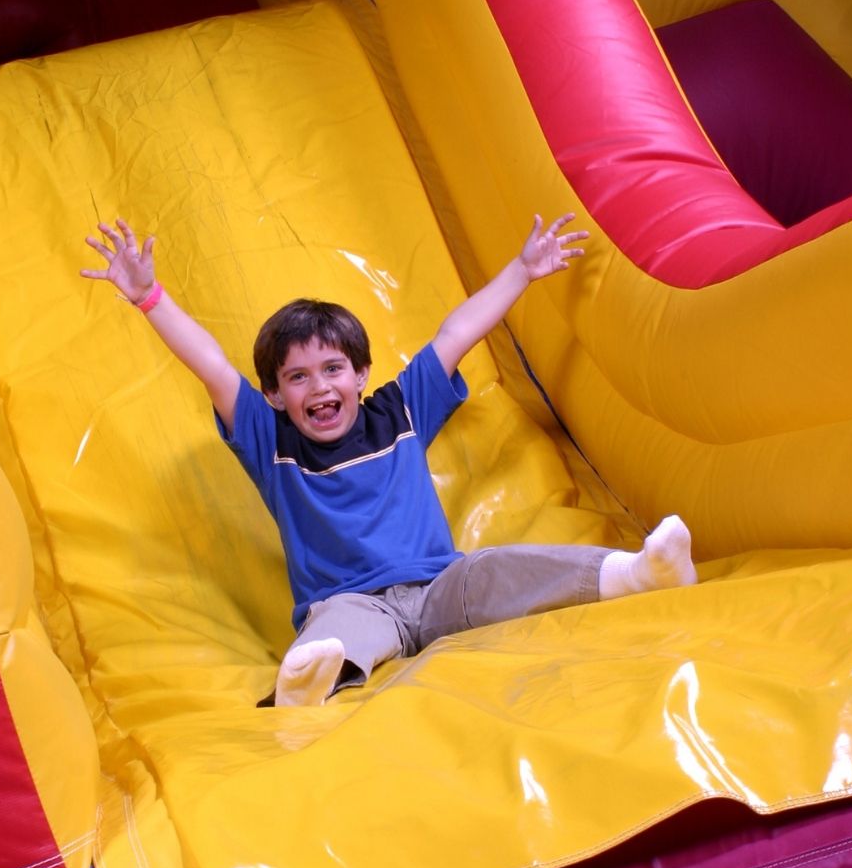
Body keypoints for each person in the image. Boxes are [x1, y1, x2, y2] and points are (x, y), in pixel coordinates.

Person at [82, 214, 697, 707]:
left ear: (361, 374)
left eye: (332, 369)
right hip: (356, 603)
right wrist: (150, 297)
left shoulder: (398, 412)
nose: (318, 387)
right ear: (274, 395)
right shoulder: (273, 445)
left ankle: (635, 575)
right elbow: (213, 366)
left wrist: (522, 269)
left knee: (497, 570)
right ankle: (310, 680)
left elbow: (456, 335)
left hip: (439, 587)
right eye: (297, 377)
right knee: (339, 628)